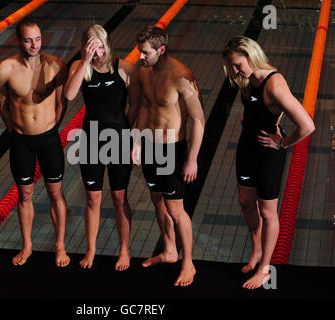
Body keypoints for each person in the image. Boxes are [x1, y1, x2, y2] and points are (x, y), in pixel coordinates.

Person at [221, 36, 315, 289]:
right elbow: (262, 107)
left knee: (267, 212)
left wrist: (282, 142)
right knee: (245, 202)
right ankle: (257, 249)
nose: (235, 71)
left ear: (251, 57)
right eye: (232, 66)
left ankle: (264, 269)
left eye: (238, 65)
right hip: (247, 147)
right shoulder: (248, 78)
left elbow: (307, 125)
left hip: (267, 153)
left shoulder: (274, 84)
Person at [132, 26, 205, 286]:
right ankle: (170, 250)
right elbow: (144, 107)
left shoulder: (182, 77)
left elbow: (198, 119)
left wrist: (192, 159)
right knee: (157, 200)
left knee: (176, 209)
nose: (140, 57)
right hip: (150, 146)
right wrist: (137, 140)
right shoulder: (144, 71)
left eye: (145, 53)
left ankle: (189, 264)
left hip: (172, 149)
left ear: (161, 50)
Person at [0, 19, 70, 267]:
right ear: (19, 40)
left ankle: (60, 246)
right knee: (24, 195)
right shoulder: (5, 69)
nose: (34, 44)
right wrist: (15, 129)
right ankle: (27, 246)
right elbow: (2, 105)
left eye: (37, 38)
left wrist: (51, 127)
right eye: (28, 40)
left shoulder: (55, 66)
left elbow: (61, 103)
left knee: (55, 193)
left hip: (48, 139)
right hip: (21, 141)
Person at [64, 24, 140, 271]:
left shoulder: (125, 69)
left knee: (119, 198)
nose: (97, 52)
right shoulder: (80, 68)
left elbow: (137, 106)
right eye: (91, 47)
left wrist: (129, 136)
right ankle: (91, 249)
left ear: (107, 43)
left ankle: (124, 250)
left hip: (118, 138)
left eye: (100, 46)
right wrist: (84, 60)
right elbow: (69, 95)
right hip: (90, 140)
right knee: (92, 198)